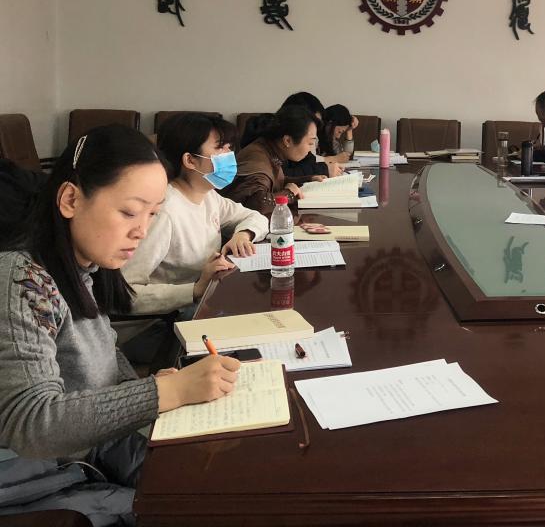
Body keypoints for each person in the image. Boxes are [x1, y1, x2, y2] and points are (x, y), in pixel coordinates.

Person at [0, 125, 240, 523]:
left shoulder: (85, 268)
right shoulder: (23, 279)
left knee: (221, 481)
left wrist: (152, 387)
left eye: (152, 214)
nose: (141, 231)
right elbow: (31, 424)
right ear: (70, 199)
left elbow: (104, 357)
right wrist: (163, 392)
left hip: (96, 446)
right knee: (191, 509)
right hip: (44, 472)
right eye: (129, 212)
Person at [120, 113, 269, 316]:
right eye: (220, 148)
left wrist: (243, 234)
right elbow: (127, 294)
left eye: (229, 148)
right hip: (166, 318)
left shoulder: (208, 196)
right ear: (190, 160)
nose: (229, 156)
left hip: (203, 302)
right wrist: (195, 290)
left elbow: (255, 217)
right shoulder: (164, 212)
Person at [221, 105, 320, 217]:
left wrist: (308, 180)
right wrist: (289, 194)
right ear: (287, 140)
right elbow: (257, 204)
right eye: (310, 143)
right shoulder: (258, 159)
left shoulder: (268, 149)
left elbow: (275, 181)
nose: (311, 149)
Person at [276, 92, 343, 181]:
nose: (315, 128)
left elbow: (309, 160)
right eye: (313, 122)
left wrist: (326, 167)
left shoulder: (295, 144)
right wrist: (324, 170)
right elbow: (281, 175)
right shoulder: (269, 149)